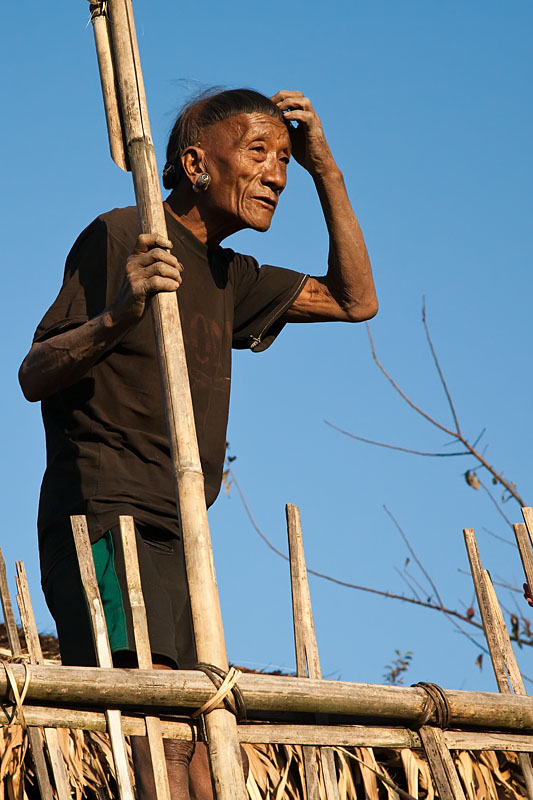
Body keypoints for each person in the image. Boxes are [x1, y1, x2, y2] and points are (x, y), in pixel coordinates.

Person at [19, 88, 377, 799]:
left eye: (282, 158)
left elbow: (353, 299)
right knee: (155, 727)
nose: (275, 174)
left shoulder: (229, 275)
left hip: (183, 531)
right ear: (194, 163)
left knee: (202, 733)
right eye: (257, 153)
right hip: (106, 518)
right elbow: (35, 372)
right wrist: (120, 314)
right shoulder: (125, 235)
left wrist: (325, 172)